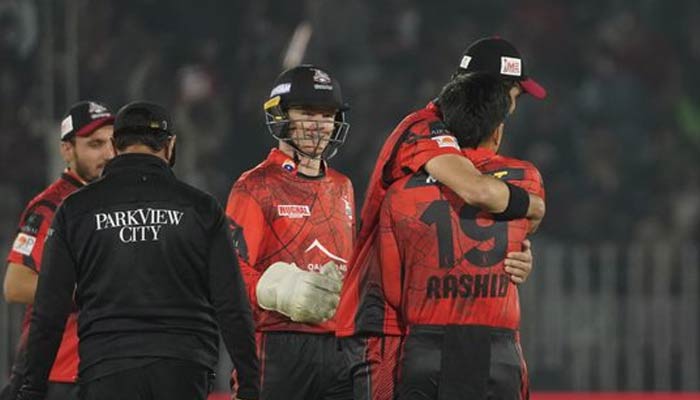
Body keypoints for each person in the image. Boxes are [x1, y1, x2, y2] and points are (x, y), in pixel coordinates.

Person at [334, 36, 546, 400]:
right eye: (513, 95)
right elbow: (476, 191)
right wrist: (534, 207)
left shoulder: (448, 136)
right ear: (490, 92)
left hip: (417, 321)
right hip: (384, 321)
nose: (512, 109)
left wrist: (515, 254)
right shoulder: (426, 130)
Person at [15, 101, 259, 400]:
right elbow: (231, 304)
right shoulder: (202, 208)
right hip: (184, 368)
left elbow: (48, 310)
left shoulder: (74, 210)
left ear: (115, 147)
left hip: (106, 368)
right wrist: (249, 383)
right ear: (171, 146)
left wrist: (32, 388)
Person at [381, 72, 545, 400]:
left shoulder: (398, 192)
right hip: (496, 350)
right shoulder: (525, 178)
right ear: (497, 130)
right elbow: (522, 231)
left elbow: (391, 287)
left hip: (426, 347)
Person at [225, 65, 354, 400]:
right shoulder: (255, 185)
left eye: (327, 115)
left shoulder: (343, 187)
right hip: (275, 345)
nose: (318, 125)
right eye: (307, 113)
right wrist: (282, 289)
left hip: (339, 349)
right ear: (281, 116)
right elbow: (229, 269)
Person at [1, 100, 115, 400]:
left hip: (99, 368)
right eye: (94, 144)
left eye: (113, 142)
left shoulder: (113, 202)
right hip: (57, 374)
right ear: (67, 150)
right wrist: (89, 290)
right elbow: (15, 284)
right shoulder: (51, 206)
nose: (108, 154)